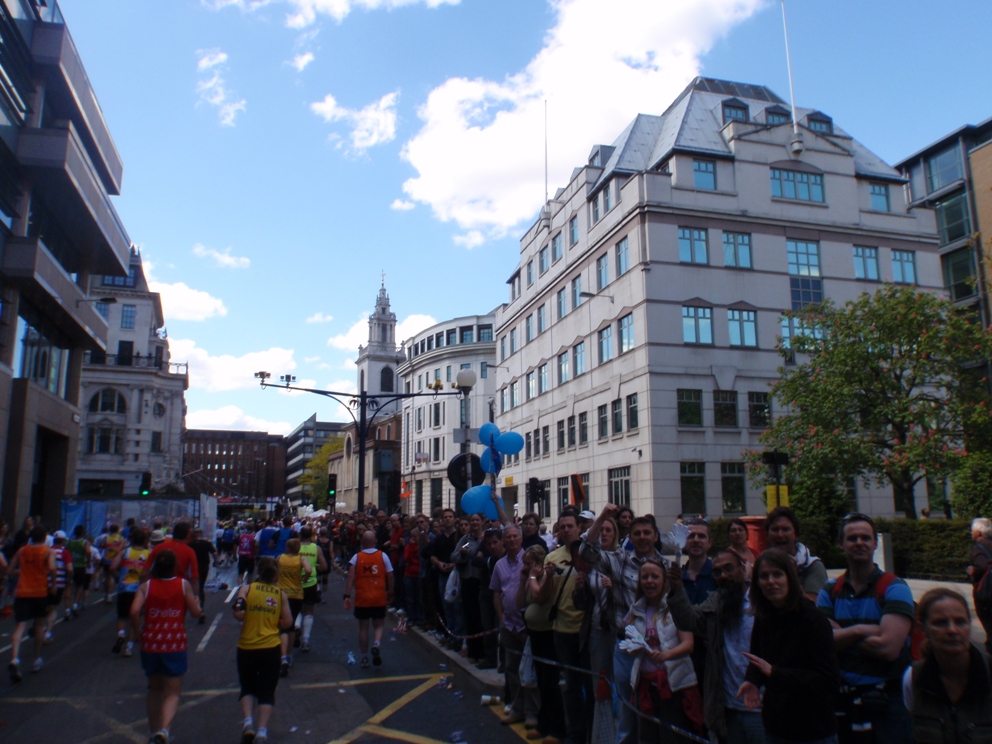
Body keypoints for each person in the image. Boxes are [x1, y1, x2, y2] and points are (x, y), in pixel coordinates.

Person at [580, 503, 676, 744]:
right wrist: (602, 516)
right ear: (630, 536)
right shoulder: (619, 560)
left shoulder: (668, 567)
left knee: (658, 706)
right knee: (627, 708)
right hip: (627, 647)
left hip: (660, 650)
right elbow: (587, 552)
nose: (642, 537)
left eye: (647, 533)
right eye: (637, 533)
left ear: (655, 535)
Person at [817, 513, 913, 744]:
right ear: (841, 544)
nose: (859, 542)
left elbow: (889, 648)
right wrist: (861, 630)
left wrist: (841, 635)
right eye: (852, 538)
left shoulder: (895, 587)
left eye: (865, 538)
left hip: (888, 704)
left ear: (875, 543)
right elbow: (820, 643)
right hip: (841, 702)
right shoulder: (829, 590)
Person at [738, 549, 840, 744]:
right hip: (776, 727)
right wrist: (752, 680)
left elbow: (828, 680)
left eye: (777, 574)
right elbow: (757, 659)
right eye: (764, 576)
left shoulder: (813, 620)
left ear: (790, 578)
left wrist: (776, 674)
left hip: (813, 731)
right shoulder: (764, 616)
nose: (770, 581)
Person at [668, 550, 764, 744]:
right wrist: (677, 589)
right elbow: (690, 621)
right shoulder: (717, 603)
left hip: (763, 708)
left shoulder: (763, 602)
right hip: (728, 707)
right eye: (717, 572)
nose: (724, 576)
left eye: (728, 569)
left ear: (742, 568)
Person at [622, 558, 702, 744]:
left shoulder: (675, 607)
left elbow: (688, 644)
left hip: (675, 686)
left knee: (672, 738)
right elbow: (630, 643)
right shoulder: (636, 610)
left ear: (664, 580)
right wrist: (633, 648)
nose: (650, 581)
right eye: (645, 577)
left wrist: (666, 655)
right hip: (646, 687)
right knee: (648, 737)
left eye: (655, 577)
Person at [130, 549, 203, 744]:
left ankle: (154, 732)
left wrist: (138, 632)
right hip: (174, 643)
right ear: (174, 567)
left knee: (154, 690)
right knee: (172, 692)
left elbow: (134, 610)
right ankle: (165, 730)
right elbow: (196, 613)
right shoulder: (182, 585)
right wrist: (196, 602)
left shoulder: (146, 586)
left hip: (151, 643)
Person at [902, 587, 992, 742]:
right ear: (923, 628)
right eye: (940, 623)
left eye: (960, 622)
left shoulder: (989, 673)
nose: (952, 630)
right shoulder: (914, 678)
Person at [533, 510, 592, 744]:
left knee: (591, 686)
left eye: (570, 526)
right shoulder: (552, 557)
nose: (566, 530)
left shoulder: (590, 556)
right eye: (562, 527)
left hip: (588, 631)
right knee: (571, 686)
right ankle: (576, 732)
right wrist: (546, 577)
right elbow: (544, 597)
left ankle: (593, 731)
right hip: (562, 629)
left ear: (579, 528)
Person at [233, 556, 293, 744]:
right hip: (270, 647)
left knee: (248, 686)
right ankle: (261, 731)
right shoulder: (280, 594)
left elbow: (238, 613)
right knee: (267, 690)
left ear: (259, 572)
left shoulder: (247, 589)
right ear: (276, 575)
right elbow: (288, 622)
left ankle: (248, 723)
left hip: (247, 646)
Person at [516, 543, 566, 744]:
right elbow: (520, 603)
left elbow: (539, 595)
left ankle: (557, 727)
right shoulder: (530, 577)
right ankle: (543, 723)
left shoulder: (545, 577)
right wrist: (523, 580)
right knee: (542, 684)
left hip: (548, 634)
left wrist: (533, 576)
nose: (525, 567)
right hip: (534, 634)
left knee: (550, 683)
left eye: (528, 564)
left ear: (538, 563)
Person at [489, 525, 537, 726]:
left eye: (514, 536)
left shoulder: (530, 560)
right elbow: (496, 592)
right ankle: (517, 709)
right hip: (508, 625)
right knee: (512, 669)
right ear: (503, 541)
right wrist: (501, 618)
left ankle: (533, 712)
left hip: (527, 625)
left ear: (521, 538)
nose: (511, 540)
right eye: (507, 537)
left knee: (530, 671)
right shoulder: (499, 564)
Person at [7, 525, 55, 682]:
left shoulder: (22, 551)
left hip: (22, 592)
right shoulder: (48, 551)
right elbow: (53, 569)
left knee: (20, 626)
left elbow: (9, 569)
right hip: (39, 592)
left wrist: (20, 572)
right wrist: (53, 584)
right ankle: (36, 659)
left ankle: (14, 658)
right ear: (44, 538)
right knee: (39, 624)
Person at [344, 530, 394, 668]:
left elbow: (350, 577)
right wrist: (390, 591)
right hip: (378, 597)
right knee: (378, 625)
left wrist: (347, 596)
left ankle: (364, 657)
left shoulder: (356, 557)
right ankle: (376, 644)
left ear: (362, 542)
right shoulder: (382, 556)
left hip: (362, 598)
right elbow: (390, 575)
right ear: (375, 541)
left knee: (363, 628)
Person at [765, 507, 827, 601]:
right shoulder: (762, 566)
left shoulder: (813, 566)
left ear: (796, 535)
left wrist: (792, 577)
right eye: (775, 529)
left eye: (785, 529)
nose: (780, 535)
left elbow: (814, 608)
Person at [111, 528, 150, 656]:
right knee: (135, 616)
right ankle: (129, 646)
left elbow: (112, 567)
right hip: (139, 590)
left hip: (124, 588)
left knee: (122, 615)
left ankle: (121, 634)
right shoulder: (148, 554)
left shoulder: (124, 552)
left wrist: (117, 577)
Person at [453, 512, 486, 662]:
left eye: (476, 520)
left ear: (482, 522)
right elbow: (453, 557)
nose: (474, 523)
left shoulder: (487, 538)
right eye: (472, 520)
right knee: (471, 618)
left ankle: (486, 653)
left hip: (483, 582)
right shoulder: (465, 539)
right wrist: (462, 555)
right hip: (468, 581)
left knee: (484, 619)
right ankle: (474, 652)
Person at [276, 538, 311, 675]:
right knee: (290, 625)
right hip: (296, 594)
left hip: (281, 594)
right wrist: (304, 580)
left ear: (288, 548)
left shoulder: (280, 558)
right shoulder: (301, 559)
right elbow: (308, 570)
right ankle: (288, 655)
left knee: (281, 625)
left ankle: (282, 655)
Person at [429, 508, 460, 648]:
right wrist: (439, 563)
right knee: (446, 606)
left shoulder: (459, 536)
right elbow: (432, 556)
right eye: (445, 517)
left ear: (454, 519)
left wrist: (454, 564)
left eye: (450, 516)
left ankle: (458, 637)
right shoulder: (439, 539)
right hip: (442, 576)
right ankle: (450, 634)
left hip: (456, 577)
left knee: (457, 607)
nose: (448, 519)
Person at [298, 526, 327, 652]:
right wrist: (315, 566)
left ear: (300, 535)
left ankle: (296, 625)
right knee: (309, 610)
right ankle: (305, 640)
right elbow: (324, 566)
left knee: (296, 608)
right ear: (312, 536)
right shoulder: (316, 548)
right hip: (311, 583)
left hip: (296, 582)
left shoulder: (295, 547)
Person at [967, 517, 992, 654]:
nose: (972, 533)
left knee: (987, 620)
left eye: (973, 530)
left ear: (978, 532)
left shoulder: (978, 548)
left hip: (985, 591)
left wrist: (972, 570)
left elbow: (981, 566)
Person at [190, 528, 220, 625]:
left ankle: (195, 607)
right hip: (204, 567)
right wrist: (216, 562)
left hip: (193, 567)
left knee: (194, 588)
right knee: (201, 587)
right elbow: (214, 553)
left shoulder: (190, 544)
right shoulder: (207, 543)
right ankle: (201, 607)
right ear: (202, 534)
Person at [67, 524, 91, 615]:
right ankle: (75, 603)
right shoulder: (85, 542)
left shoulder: (70, 542)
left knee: (69, 586)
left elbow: (67, 552)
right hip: (81, 566)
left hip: (71, 565)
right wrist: (89, 561)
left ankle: (67, 607)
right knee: (80, 586)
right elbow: (88, 551)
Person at [101, 524, 126, 603]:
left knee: (107, 577)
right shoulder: (120, 538)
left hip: (107, 559)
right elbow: (123, 549)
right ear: (118, 530)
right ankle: (109, 595)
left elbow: (101, 546)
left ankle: (107, 594)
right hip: (116, 560)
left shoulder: (106, 538)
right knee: (111, 577)